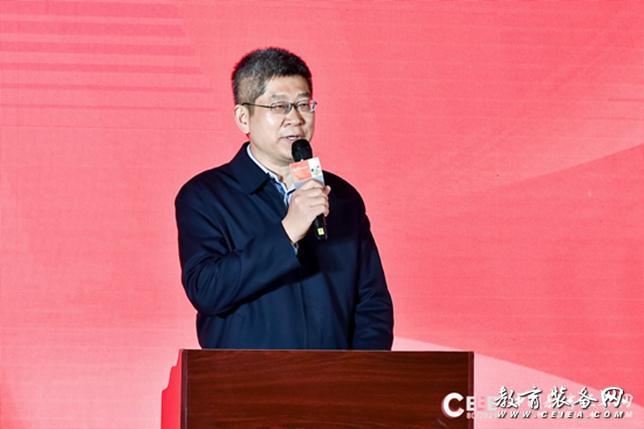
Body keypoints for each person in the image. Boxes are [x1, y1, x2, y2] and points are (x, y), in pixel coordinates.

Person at [175, 47, 393, 349]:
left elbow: (372, 303)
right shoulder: (205, 196)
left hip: (336, 376)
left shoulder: (342, 197)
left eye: (304, 104)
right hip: (245, 376)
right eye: (279, 107)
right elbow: (207, 289)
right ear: (243, 118)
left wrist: (361, 371)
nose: (295, 118)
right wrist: (287, 231)